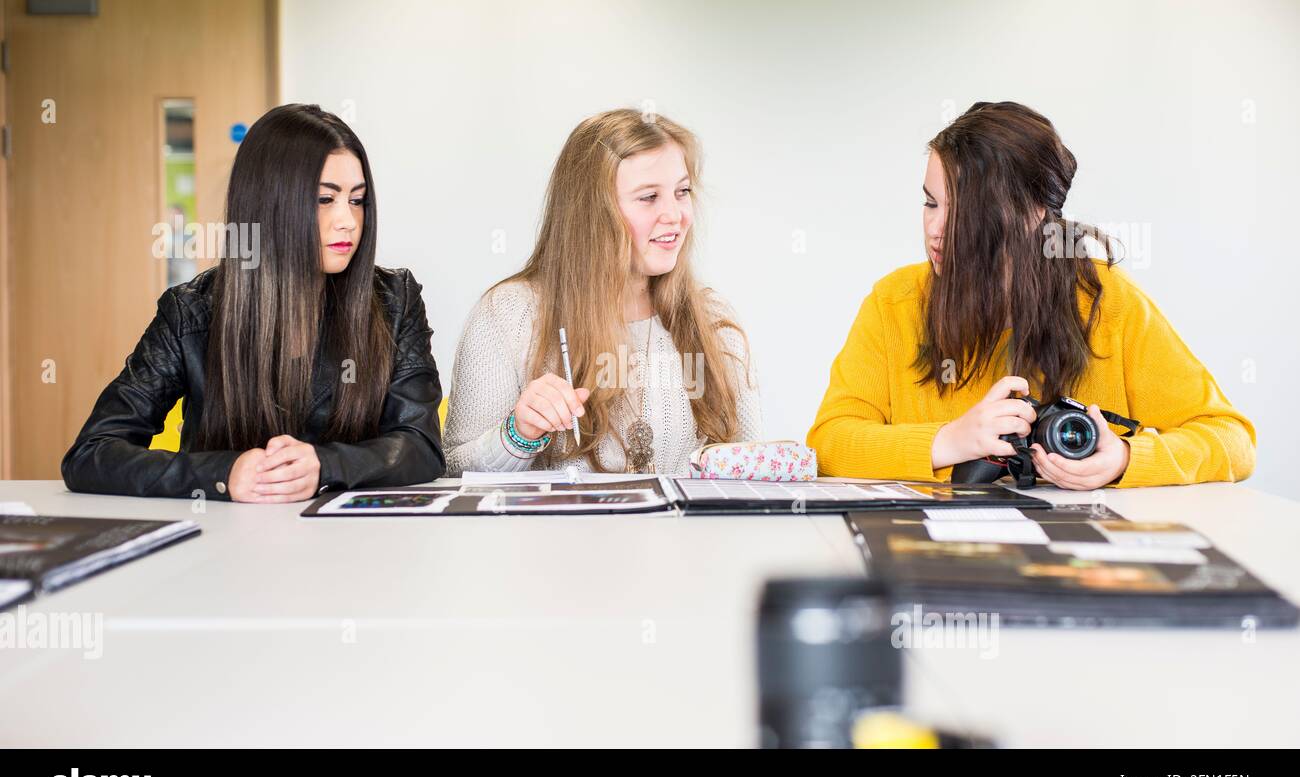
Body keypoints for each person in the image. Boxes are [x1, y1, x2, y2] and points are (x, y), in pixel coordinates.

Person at [807, 101, 1254, 489]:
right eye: (930, 203)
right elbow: (828, 442)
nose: (934, 228)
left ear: (1034, 212)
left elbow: (1230, 439)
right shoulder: (895, 302)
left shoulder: (1105, 301)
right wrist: (950, 440)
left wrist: (1125, 459)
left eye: (962, 210)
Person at [62, 104, 444, 501]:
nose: (348, 220)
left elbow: (421, 445)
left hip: (355, 545)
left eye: (357, 200)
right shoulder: (192, 312)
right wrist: (224, 473)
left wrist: (325, 466)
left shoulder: (395, 300)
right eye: (324, 200)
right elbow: (92, 454)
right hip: (224, 547)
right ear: (271, 205)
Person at [444, 108, 761, 475]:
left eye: (682, 192)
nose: (675, 216)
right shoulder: (508, 314)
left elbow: (751, 472)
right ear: (592, 213)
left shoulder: (714, 320)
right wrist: (519, 434)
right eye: (649, 197)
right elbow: (451, 470)